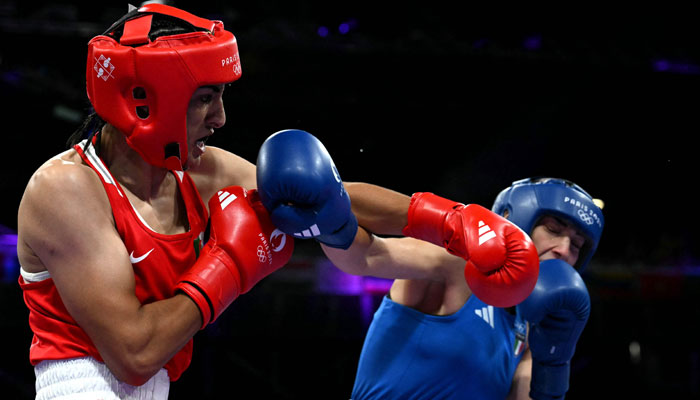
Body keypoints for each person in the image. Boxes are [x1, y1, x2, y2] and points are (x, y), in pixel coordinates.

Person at [16, 4, 294, 398]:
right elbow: (135, 355)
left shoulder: (195, 172)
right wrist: (227, 266)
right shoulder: (65, 188)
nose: (219, 118)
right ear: (144, 100)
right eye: (204, 98)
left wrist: (415, 214)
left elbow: (318, 194)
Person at [255, 131, 604, 399]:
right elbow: (368, 255)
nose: (563, 250)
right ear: (516, 221)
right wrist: (327, 214)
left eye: (576, 245)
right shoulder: (455, 264)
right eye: (554, 231)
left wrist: (555, 361)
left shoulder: (533, 330)